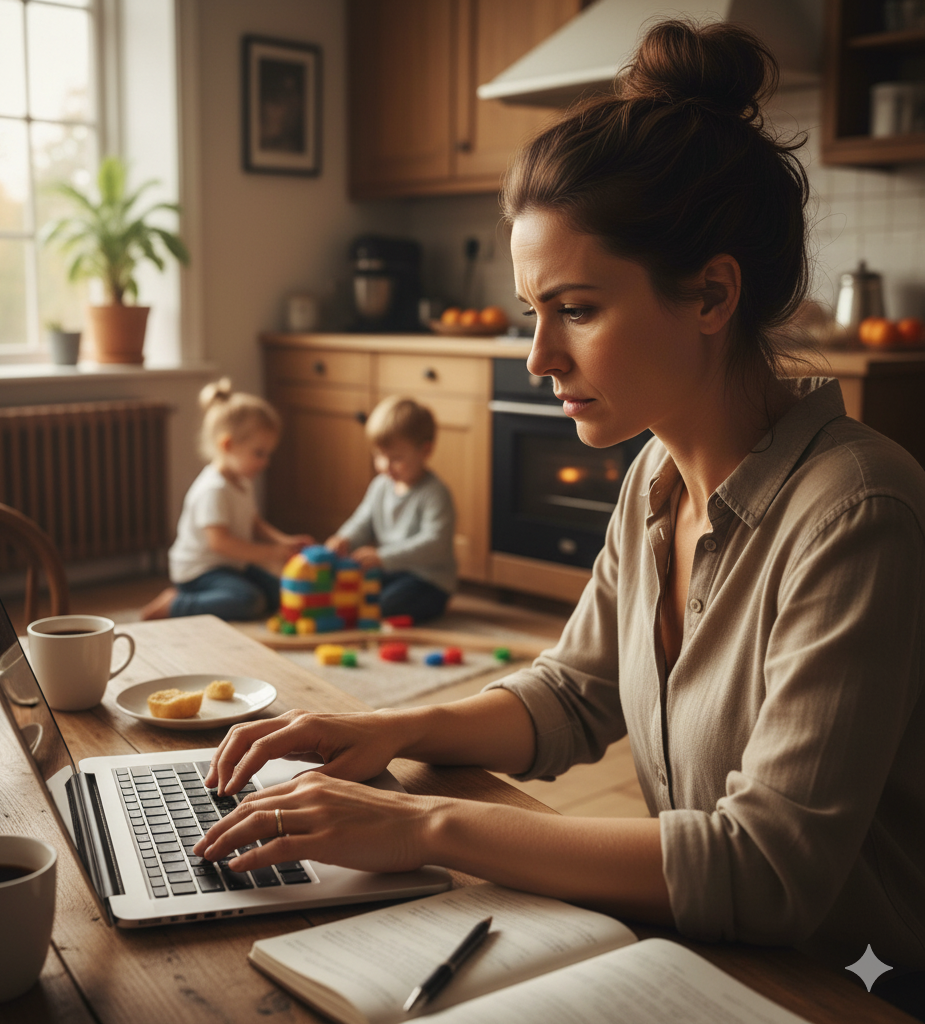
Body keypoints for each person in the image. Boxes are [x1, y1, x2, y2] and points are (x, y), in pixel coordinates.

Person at [193, 20, 925, 1016]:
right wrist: (379, 730)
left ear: (712, 293)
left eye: (575, 308)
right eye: (532, 309)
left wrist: (423, 827)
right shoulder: (654, 478)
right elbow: (574, 693)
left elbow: (765, 867)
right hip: (701, 952)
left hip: (855, 983)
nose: (538, 355)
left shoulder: (856, 512)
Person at [141, 378, 313, 622]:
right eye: (259, 453)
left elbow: (253, 522)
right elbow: (220, 543)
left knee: (280, 592)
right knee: (249, 601)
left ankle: (209, 596)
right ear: (228, 445)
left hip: (230, 565)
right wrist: (271, 552)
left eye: (268, 454)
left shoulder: (242, 481)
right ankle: (176, 604)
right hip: (200, 572)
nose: (266, 462)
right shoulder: (213, 489)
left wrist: (284, 541)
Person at [324, 395, 457, 623]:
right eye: (378, 456)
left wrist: (382, 557)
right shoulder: (381, 486)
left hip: (428, 580)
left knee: (381, 605)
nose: (385, 465)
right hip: (392, 570)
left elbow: (435, 544)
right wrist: (344, 539)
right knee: (353, 592)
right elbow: (363, 521)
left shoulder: (435, 493)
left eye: (396, 458)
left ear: (425, 451)